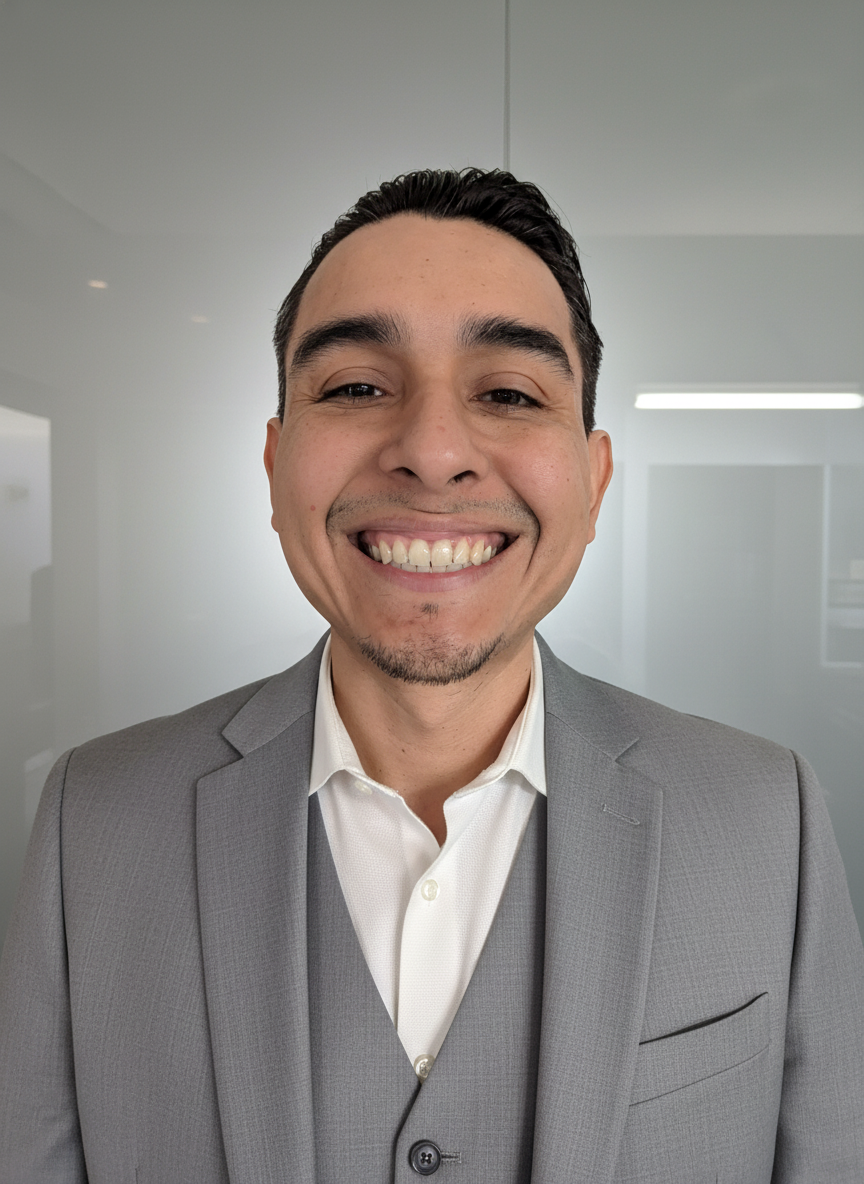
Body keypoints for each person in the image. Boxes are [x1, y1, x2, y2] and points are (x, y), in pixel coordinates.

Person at [1, 168, 862, 1183]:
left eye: (509, 393)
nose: (433, 450)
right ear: (274, 468)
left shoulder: (766, 818)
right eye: (357, 387)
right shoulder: (94, 820)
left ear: (594, 482)